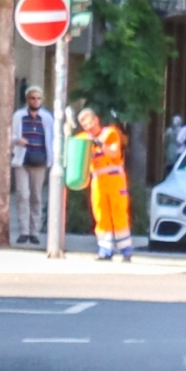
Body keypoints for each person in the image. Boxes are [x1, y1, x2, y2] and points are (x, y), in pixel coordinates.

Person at [83, 105, 133, 260]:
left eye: (89, 123)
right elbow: (73, 145)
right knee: (100, 214)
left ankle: (126, 250)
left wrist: (99, 144)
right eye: (84, 126)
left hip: (115, 180)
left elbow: (115, 152)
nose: (87, 128)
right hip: (98, 181)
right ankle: (105, 250)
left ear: (96, 120)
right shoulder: (85, 139)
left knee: (118, 213)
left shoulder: (109, 133)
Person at [10, 80, 54, 246]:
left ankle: (34, 232)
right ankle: (24, 231)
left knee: (36, 196)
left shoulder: (47, 117)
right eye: (32, 98)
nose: (35, 101)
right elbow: (10, 135)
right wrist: (17, 140)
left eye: (38, 98)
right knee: (23, 195)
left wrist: (52, 158)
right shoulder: (19, 116)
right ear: (27, 99)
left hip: (40, 160)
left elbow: (52, 138)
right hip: (22, 160)